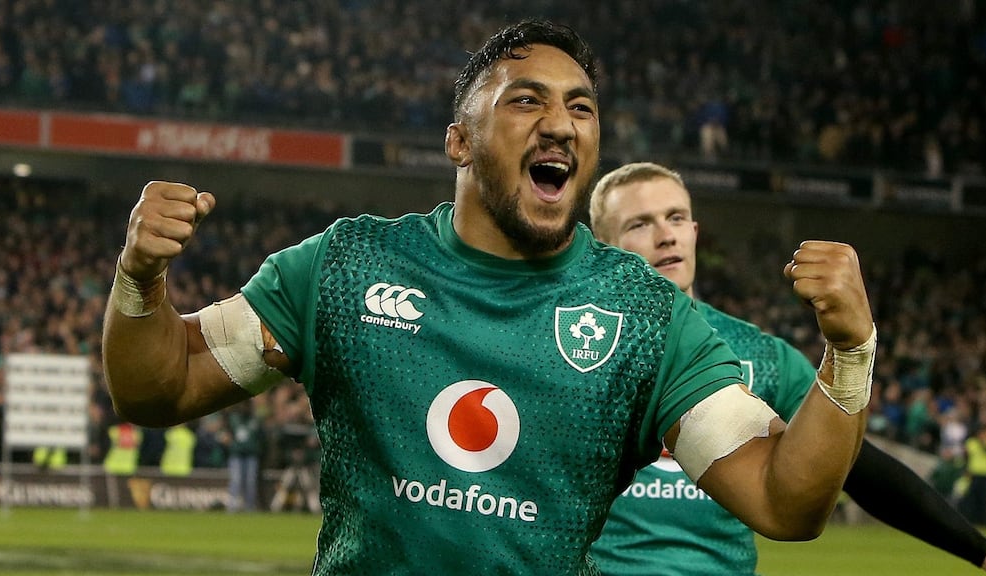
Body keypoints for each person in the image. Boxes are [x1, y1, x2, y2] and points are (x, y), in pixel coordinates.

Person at [102, 20, 875, 574]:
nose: (560, 124)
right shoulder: (344, 267)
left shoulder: (645, 318)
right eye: (525, 101)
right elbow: (158, 387)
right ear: (460, 140)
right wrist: (140, 281)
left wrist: (849, 355)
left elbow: (784, 502)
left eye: (580, 106)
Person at [587, 161, 986, 575]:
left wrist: (984, 551)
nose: (665, 236)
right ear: (603, 247)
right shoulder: (579, 343)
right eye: (639, 224)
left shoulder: (762, 355)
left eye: (676, 217)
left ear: (694, 232)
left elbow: (861, 470)